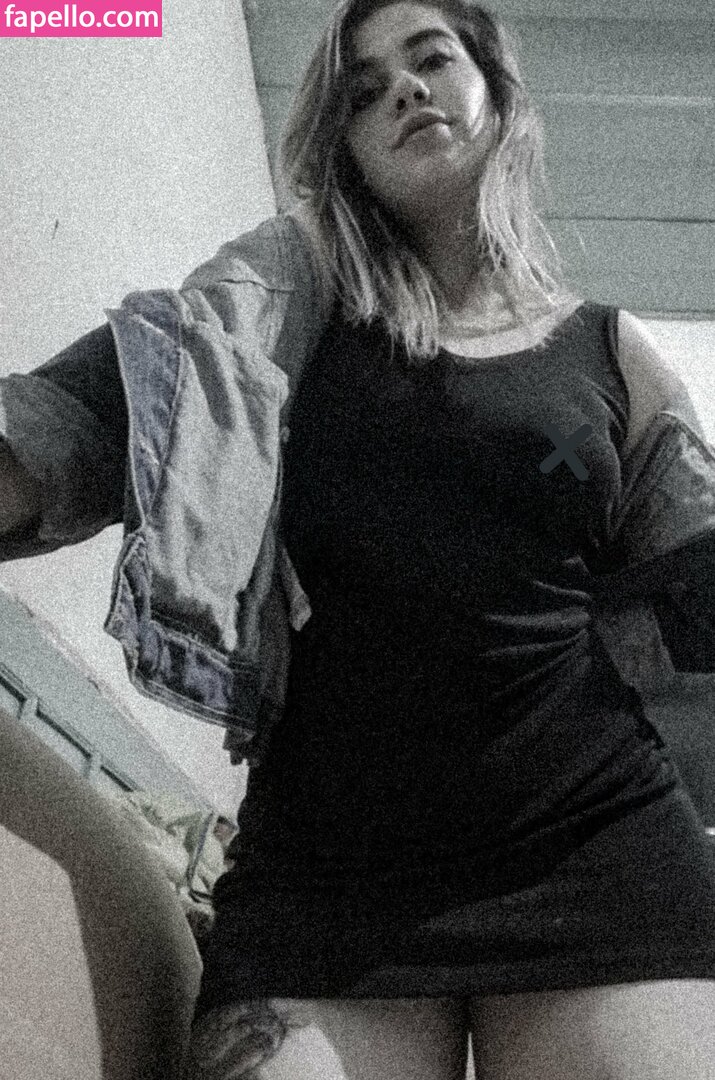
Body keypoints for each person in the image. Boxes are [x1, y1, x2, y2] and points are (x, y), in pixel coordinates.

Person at [1, 1, 715, 1077]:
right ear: (344, 148)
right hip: (325, 870)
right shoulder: (282, 302)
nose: (403, 93)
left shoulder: (613, 351)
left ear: (496, 90)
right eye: (363, 92)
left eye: (430, 60)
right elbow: (96, 419)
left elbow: (695, 594)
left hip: (594, 844)